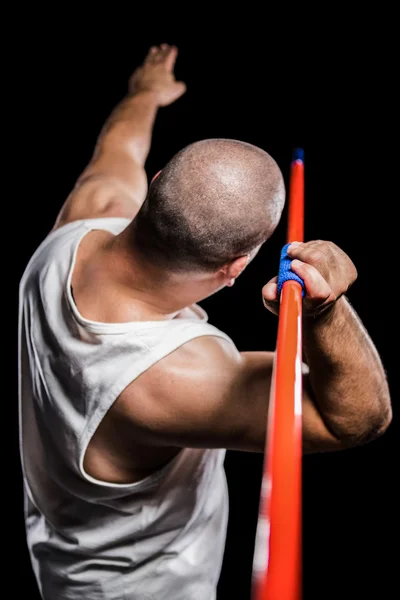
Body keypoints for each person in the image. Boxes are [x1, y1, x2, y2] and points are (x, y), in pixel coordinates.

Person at [18, 44, 392, 600]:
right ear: (237, 268)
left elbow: (120, 143)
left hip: (61, 551)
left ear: (157, 179)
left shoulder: (80, 223)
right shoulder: (168, 377)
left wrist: (146, 91)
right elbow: (356, 419)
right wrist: (326, 308)